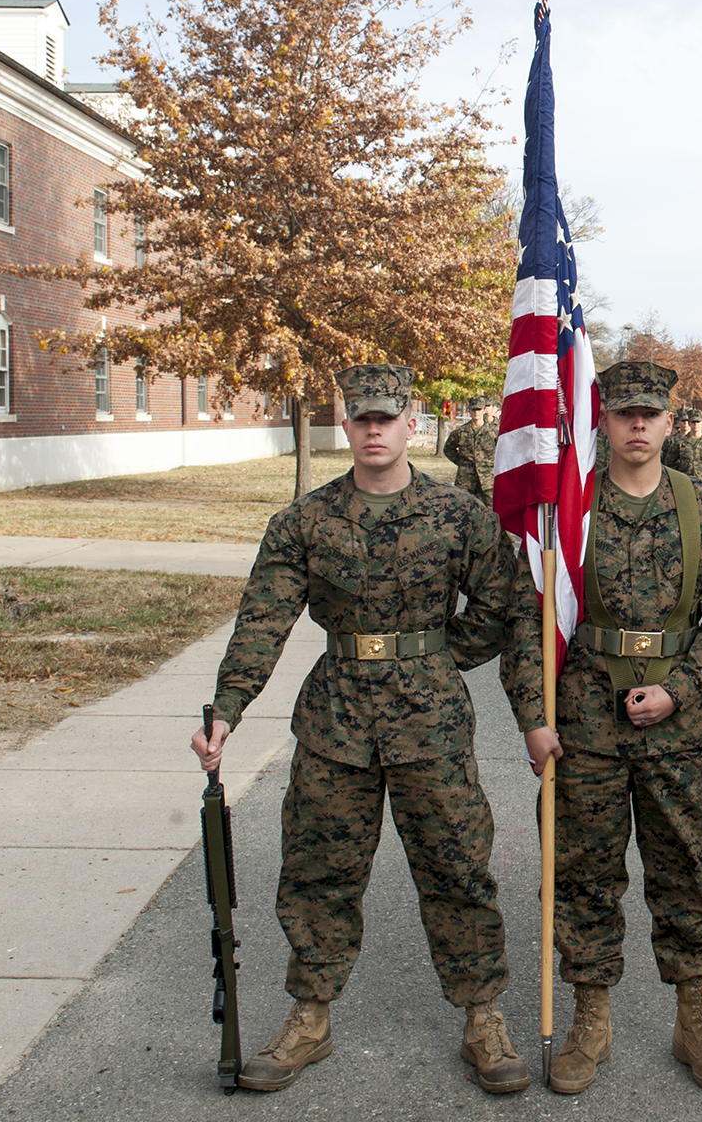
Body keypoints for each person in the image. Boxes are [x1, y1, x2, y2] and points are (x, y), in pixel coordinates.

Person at [191, 364, 531, 1096]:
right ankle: (310, 1017)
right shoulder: (303, 522)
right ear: (346, 427)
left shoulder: (457, 515)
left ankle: (482, 1016)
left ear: (413, 424)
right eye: (362, 419)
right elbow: (263, 621)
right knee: (317, 873)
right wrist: (227, 710)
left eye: (387, 418)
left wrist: (439, 659)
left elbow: (506, 602)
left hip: (430, 724)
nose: (374, 431)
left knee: (458, 869)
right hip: (336, 721)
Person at [502, 360, 702, 1096]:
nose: (638, 425)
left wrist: (682, 688)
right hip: (583, 717)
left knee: (684, 869)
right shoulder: (566, 510)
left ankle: (694, 1018)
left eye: (651, 413)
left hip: (678, 722)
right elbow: (532, 620)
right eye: (624, 414)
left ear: (673, 423)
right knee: (582, 872)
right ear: (603, 422)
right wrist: (533, 718)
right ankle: (590, 1016)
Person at [443, 395, 500, 505]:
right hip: (466, 480)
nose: (476, 412)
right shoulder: (461, 432)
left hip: (487, 481)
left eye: (479, 409)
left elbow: (502, 452)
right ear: (469, 410)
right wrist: (462, 462)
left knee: (490, 512)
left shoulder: (493, 431)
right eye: (473, 409)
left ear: (484, 410)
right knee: (463, 510)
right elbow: (448, 449)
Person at [664, 406, 702, 479]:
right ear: (689, 423)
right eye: (693, 422)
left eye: (698, 422)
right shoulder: (680, 442)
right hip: (686, 482)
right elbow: (669, 463)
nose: (695, 424)